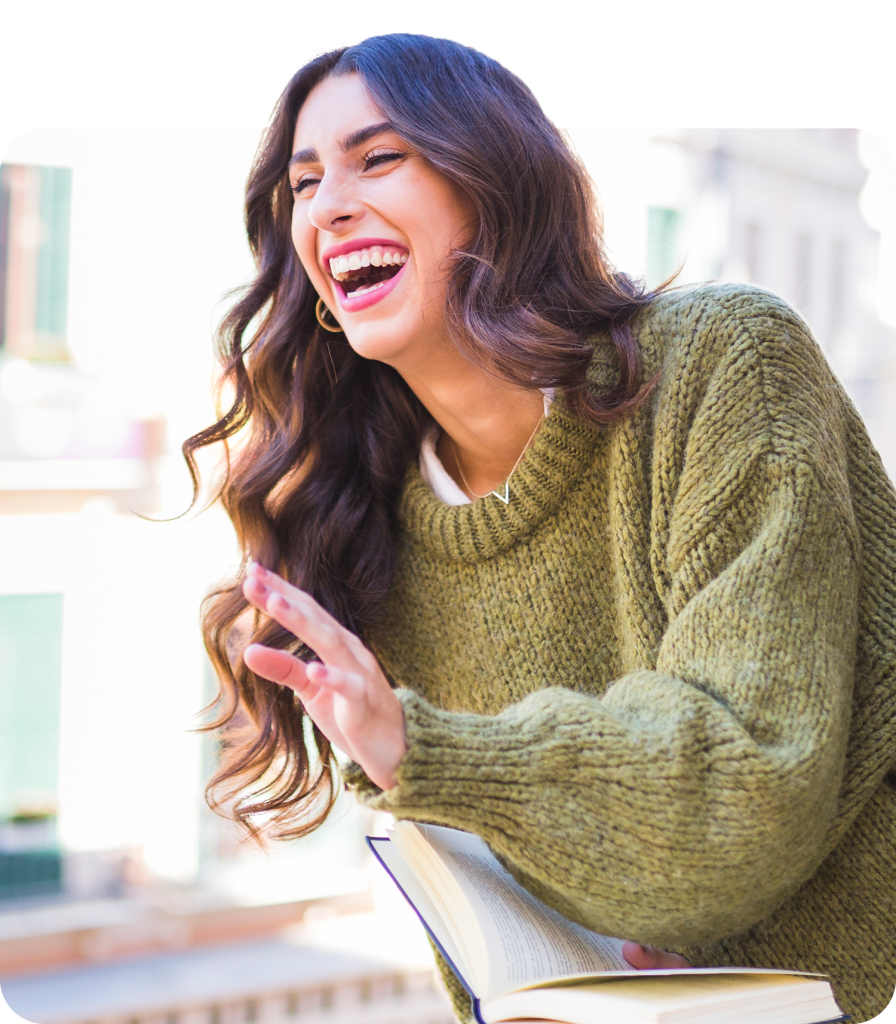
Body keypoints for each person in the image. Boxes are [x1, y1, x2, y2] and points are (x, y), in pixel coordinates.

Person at [184, 36, 896, 1024]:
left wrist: (426, 750)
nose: (328, 207)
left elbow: (746, 795)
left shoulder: (721, 364)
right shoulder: (362, 528)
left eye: (378, 159)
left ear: (494, 184)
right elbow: (498, 949)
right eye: (303, 184)